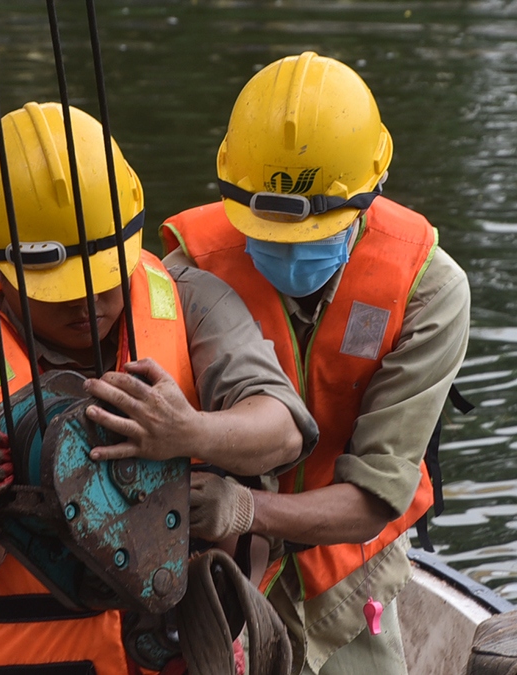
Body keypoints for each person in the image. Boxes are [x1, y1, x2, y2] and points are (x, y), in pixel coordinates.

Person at [0, 101, 317, 675]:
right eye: (55, 288)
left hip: (186, 649)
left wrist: (189, 431)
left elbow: (283, 428)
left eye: (106, 275)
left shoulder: (190, 302)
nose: (87, 302)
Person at [160, 52, 471, 675]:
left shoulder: (428, 291)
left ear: (369, 195)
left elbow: (377, 497)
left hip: (351, 580)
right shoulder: (184, 273)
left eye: (310, 233)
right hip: (212, 574)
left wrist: (248, 509)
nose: (285, 250)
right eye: (266, 231)